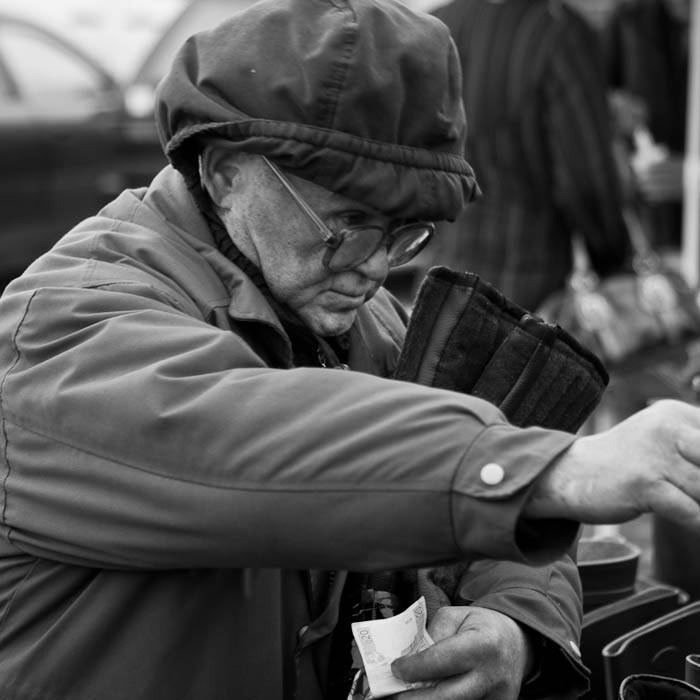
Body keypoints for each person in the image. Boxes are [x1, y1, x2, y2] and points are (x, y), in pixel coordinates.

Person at [0, 2, 700, 700]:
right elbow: (255, 449)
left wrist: (513, 624)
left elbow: (497, 511)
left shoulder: (365, 320)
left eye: (405, 233)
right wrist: (548, 469)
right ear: (225, 173)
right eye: (349, 224)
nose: (376, 266)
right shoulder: (62, 327)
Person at [426, 0, 629, 312]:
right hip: (527, 294)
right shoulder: (560, 33)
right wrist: (614, 260)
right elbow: (587, 183)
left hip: (440, 284)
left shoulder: (438, 25)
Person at [602, 0, 690, 250]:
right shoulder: (628, 20)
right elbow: (596, 93)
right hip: (651, 217)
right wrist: (614, 109)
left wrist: (693, 178)